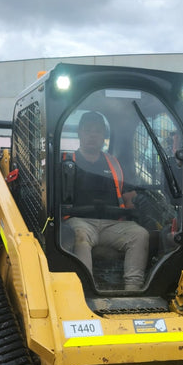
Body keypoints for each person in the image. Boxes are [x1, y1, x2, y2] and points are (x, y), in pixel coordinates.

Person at [64, 111, 149, 290]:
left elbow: (127, 195)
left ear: (103, 136)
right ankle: (86, 288)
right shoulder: (66, 162)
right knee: (79, 235)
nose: (92, 135)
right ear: (79, 133)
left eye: (97, 131)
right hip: (80, 221)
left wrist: (139, 203)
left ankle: (133, 289)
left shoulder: (113, 163)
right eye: (88, 130)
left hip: (113, 224)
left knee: (140, 234)